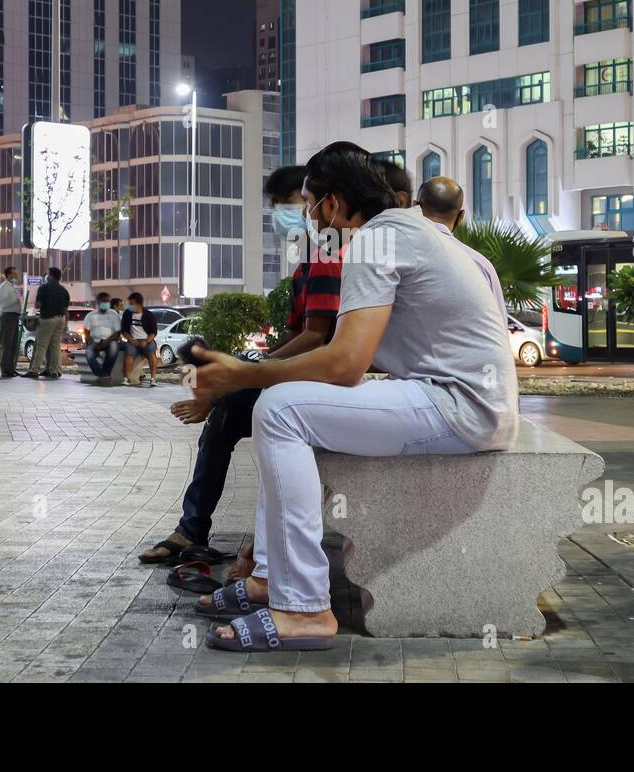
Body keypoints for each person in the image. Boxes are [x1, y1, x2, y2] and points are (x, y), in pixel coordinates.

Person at [189, 142, 519, 652]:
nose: (305, 216)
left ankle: (302, 609)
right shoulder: (413, 232)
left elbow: (345, 364)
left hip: (460, 407)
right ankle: (269, 580)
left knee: (280, 409)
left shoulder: (374, 241)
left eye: (308, 203)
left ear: (335, 204)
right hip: (465, 401)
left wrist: (242, 375)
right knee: (294, 403)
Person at [140, 164, 344, 565]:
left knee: (225, 411)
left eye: (295, 203)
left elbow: (318, 337)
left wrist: (248, 372)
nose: (284, 215)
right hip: (303, 374)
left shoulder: (326, 258)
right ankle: (194, 529)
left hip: (324, 379)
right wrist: (252, 363)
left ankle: (202, 532)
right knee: (221, 412)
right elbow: (296, 337)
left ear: (322, 206)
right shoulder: (306, 265)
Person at [416, 176, 508, 324]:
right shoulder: (481, 266)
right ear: (460, 216)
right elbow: (499, 332)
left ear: (415, 207)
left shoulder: (391, 259)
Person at [23, 266, 69, 379]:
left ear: (51, 276)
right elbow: (65, 310)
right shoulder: (64, 290)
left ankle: (34, 370)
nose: (46, 276)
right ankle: (54, 370)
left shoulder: (44, 288)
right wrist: (65, 325)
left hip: (48, 319)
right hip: (60, 319)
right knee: (55, 345)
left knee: (41, 345)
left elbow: (37, 305)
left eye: (48, 274)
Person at [120, 292, 158, 387]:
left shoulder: (148, 315)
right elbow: (124, 330)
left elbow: (153, 332)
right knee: (129, 355)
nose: (130, 306)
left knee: (152, 354)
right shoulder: (127, 314)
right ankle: (126, 378)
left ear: (138, 304)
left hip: (146, 340)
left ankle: (153, 379)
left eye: (132, 304)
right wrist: (131, 339)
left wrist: (147, 341)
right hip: (133, 340)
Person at [84, 292, 123, 383]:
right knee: (89, 353)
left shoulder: (114, 314)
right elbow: (86, 332)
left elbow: (117, 331)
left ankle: (105, 374)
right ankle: (101, 374)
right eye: (103, 301)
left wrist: (107, 341)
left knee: (114, 347)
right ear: (98, 302)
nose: (105, 303)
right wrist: (92, 342)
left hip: (110, 340)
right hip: (94, 341)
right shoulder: (91, 315)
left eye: (107, 301)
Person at [0, 266, 21, 378]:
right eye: (14, 273)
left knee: (13, 344)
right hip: (8, 316)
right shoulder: (4, 286)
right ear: (9, 275)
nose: (16, 275)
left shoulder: (11, 285)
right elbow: (6, 302)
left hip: (14, 316)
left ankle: (10, 368)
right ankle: (6, 369)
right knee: (7, 344)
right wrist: (17, 296)